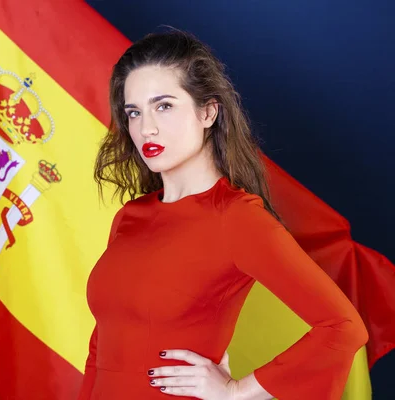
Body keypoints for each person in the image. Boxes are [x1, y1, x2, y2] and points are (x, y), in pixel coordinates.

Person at [77, 29, 368, 400]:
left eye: (164, 106)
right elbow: (101, 348)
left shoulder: (235, 218)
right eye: (134, 112)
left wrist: (235, 391)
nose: (145, 127)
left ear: (208, 112)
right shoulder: (130, 217)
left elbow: (343, 328)